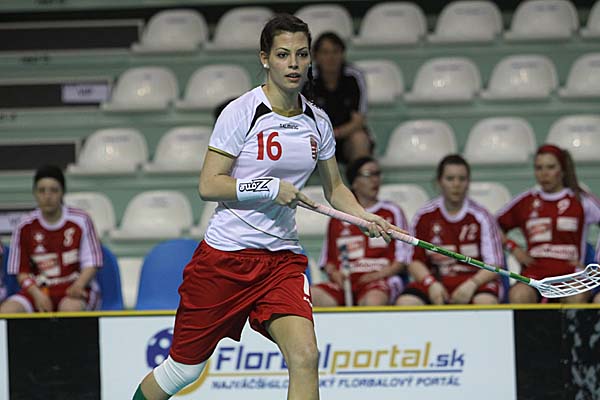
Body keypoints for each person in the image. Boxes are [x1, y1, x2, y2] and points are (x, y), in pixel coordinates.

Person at [133, 14, 393, 400]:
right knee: (183, 371)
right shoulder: (241, 112)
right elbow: (209, 184)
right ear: (265, 58)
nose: (294, 63)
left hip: (281, 261)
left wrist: (364, 216)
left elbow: (336, 188)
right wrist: (268, 188)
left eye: (301, 54)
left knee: (305, 356)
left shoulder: (318, 121)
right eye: (283, 54)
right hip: (226, 259)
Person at [396, 155, 504, 305]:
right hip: (436, 281)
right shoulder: (424, 216)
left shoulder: (482, 216)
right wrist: (431, 284)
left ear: (468, 182)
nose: (456, 184)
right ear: (439, 182)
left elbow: (495, 264)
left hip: (475, 280)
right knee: (406, 302)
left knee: (486, 302)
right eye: (450, 178)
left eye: (462, 179)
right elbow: (413, 261)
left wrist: (472, 284)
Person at [497, 144, 600, 304]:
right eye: (539, 168)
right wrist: (514, 248)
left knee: (577, 296)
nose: (544, 173)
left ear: (563, 170)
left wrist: (595, 261)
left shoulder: (580, 199)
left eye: (551, 167)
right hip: (534, 273)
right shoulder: (526, 200)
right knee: (518, 295)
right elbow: (491, 227)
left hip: (571, 274)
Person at [0, 165, 102, 313]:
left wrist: (79, 285)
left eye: (54, 190)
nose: (47, 196)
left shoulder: (81, 220)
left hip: (74, 290)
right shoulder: (24, 226)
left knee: (70, 308)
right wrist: (37, 295)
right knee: (8, 311)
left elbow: (92, 262)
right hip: (38, 291)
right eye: (42, 191)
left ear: (62, 192)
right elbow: (21, 272)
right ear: (35, 193)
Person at [311, 156, 410, 306]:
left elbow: (402, 259)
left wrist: (376, 275)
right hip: (345, 283)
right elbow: (327, 262)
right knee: (311, 295)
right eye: (369, 175)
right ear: (354, 182)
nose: (375, 180)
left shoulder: (391, 211)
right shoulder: (339, 217)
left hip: (380, 279)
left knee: (373, 300)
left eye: (378, 174)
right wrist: (336, 275)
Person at [302, 31, 372, 164]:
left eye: (335, 52)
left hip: (346, 136)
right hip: (318, 138)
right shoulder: (306, 80)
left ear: (342, 54)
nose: (331, 57)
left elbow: (358, 121)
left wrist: (335, 134)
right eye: (325, 52)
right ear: (316, 56)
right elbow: (303, 119)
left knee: (360, 139)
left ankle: (360, 176)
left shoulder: (354, 77)